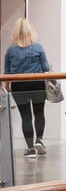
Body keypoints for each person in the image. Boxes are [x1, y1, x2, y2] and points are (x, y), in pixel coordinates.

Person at [5, 18, 52, 158]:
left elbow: (7, 72)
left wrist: (8, 87)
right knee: (39, 113)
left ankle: (30, 148)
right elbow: (45, 68)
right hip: (37, 84)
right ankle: (39, 140)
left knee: (25, 116)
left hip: (18, 85)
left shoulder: (11, 50)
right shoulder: (38, 47)